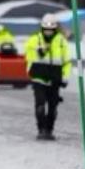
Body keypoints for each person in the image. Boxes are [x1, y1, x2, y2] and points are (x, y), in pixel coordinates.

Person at [24, 13, 72, 141]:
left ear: (55, 28)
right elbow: (28, 58)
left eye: (51, 29)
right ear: (42, 28)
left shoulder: (61, 41)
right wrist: (38, 53)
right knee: (40, 105)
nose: (48, 32)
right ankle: (41, 130)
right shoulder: (34, 40)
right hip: (39, 78)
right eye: (46, 29)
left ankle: (49, 130)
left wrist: (65, 77)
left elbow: (66, 61)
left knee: (53, 107)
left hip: (55, 78)